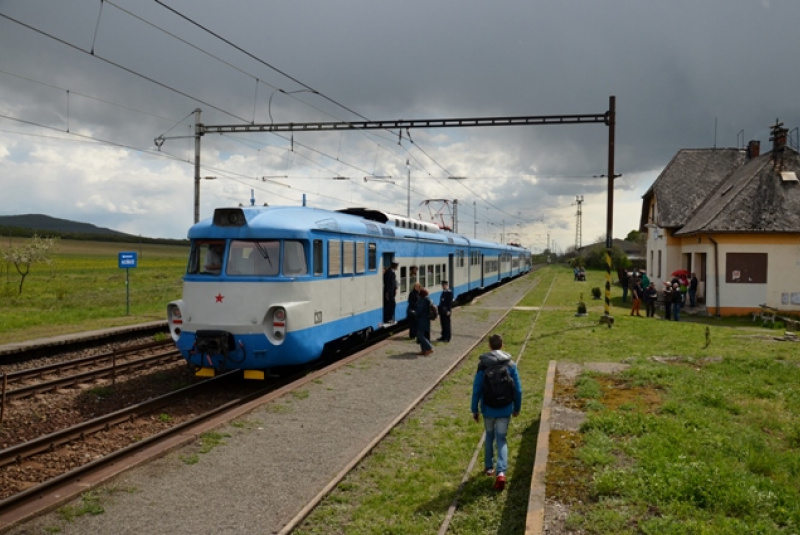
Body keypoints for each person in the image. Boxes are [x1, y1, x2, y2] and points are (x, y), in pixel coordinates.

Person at [471, 334, 522, 491]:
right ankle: (501, 472)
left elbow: (477, 390)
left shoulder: (483, 366)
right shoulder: (511, 365)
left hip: (488, 409)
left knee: (489, 436)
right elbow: (518, 390)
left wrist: (474, 409)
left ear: (489, 346)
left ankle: (488, 467)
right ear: (502, 345)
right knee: (501, 439)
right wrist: (516, 408)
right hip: (505, 408)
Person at [414, 288, 434, 356]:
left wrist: (415, 313)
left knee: (420, 335)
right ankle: (423, 350)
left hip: (422, 320)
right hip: (426, 319)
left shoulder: (422, 301)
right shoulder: (428, 299)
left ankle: (429, 348)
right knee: (423, 335)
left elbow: (419, 310)